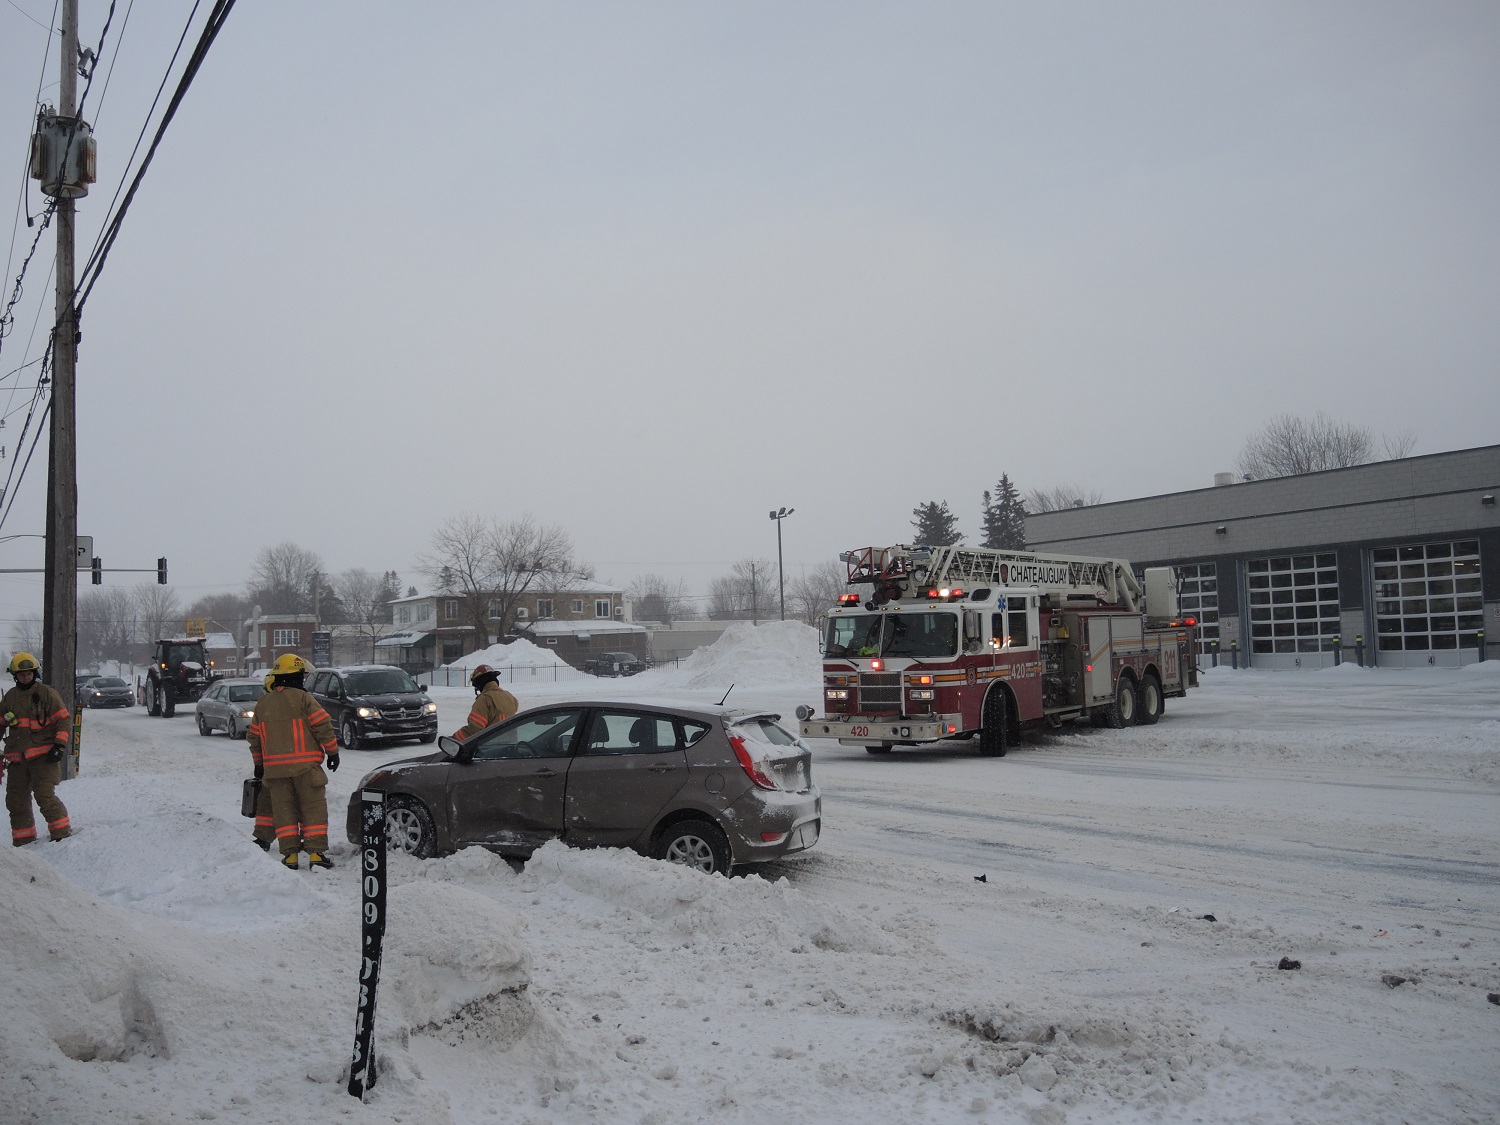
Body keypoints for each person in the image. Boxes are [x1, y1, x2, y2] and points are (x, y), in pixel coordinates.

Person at [247, 654, 338, 870]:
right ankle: (316, 855)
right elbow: (322, 726)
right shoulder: (304, 699)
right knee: (313, 809)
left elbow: (254, 739)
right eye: (301, 675)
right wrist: (332, 752)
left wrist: (259, 764)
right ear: (294, 675)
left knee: (283, 812)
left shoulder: (263, 703)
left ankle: (290, 857)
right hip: (306, 769)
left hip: (276, 773)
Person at [0, 653, 71, 846]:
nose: (26, 677)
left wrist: (59, 745)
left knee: (44, 795)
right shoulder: (10, 697)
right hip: (17, 759)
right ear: (15, 675)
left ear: (35, 673)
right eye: (21, 674)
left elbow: (63, 719)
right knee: (15, 801)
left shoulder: (47, 694)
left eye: (29, 673)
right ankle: (24, 843)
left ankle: (61, 836)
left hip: (44, 757)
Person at [453, 664, 518, 740]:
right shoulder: (508, 695)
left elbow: (474, 729)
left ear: (479, 683)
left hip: (492, 746)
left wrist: (454, 740)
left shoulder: (484, 699)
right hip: (511, 744)